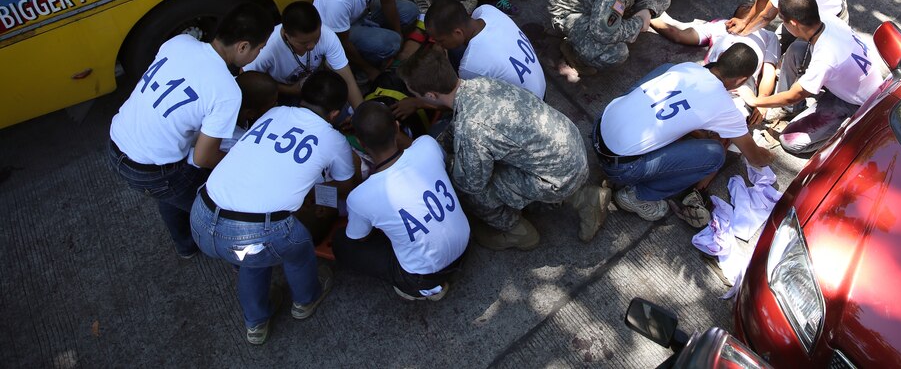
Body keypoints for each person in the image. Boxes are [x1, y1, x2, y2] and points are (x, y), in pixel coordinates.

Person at [189, 71, 355, 344]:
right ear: (335, 113)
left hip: (200, 218)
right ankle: (306, 300)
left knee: (251, 259)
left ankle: (256, 323)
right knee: (296, 247)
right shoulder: (333, 139)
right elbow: (346, 185)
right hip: (253, 235)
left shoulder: (273, 114)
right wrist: (317, 195)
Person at [397, 46, 610, 248]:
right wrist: (445, 141)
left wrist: (438, 156)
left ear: (431, 96)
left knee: (473, 192)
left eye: (414, 94)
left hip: (560, 178)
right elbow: (463, 122)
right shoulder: (481, 83)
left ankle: (517, 233)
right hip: (570, 150)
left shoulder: (471, 127)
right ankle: (585, 198)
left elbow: (472, 183)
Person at [107, 3, 274, 259]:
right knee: (221, 211)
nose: (258, 54)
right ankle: (244, 262)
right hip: (151, 170)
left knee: (170, 193)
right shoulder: (227, 91)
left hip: (116, 145)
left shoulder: (180, 43)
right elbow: (203, 158)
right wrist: (244, 163)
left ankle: (185, 245)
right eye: (259, 49)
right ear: (242, 47)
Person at [596, 45, 774, 227]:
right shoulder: (726, 108)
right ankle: (639, 196)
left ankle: (626, 152)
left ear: (720, 56)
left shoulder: (687, 67)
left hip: (600, 127)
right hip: (620, 166)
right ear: (741, 81)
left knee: (665, 70)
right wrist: (769, 155)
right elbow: (756, 158)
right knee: (715, 153)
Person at [332, 102, 469, 302]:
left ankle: (425, 290)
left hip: (424, 276)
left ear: (360, 143)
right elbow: (409, 147)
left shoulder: (359, 197)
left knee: (342, 243)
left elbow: (359, 238)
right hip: (465, 244)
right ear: (397, 127)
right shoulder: (427, 144)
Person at [737, 0, 883, 156]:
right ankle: (790, 109)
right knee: (797, 50)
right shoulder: (827, 19)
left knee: (790, 142)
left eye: (783, 22)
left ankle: (849, 129)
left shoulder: (825, 58)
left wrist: (756, 101)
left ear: (793, 23)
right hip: (852, 79)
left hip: (857, 103)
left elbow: (794, 95)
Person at [649, 2, 781, 120]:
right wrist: (647, 13)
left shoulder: (769, 36)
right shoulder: (722, 25)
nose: (751, 6)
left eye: (754, 4)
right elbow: (678, 34)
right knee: (688, 107)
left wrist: (763, 100)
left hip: (742, 85)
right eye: (744, 5)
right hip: (713, 74)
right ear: (734, 16)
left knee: (733, 119)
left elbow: (769, 71)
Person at [243, 1, 364, 109]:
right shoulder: (267, 48)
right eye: (303, 43)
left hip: (313, 86)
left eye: (316, 39)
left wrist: (361, 115)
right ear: (286, 34)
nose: (311, 46)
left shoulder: (328, 36)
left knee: (342, 111)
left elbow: (347, 79)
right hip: (281, 93)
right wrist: (289, 90)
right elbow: (246, 81)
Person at [424, 0, 545, 99]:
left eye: (440, 41)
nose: (438, 45)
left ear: (457, 32)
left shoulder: (470, 66)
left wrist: (418, 103)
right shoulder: (486, 9)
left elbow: (461, 100)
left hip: (530, 108)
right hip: (540, 87)